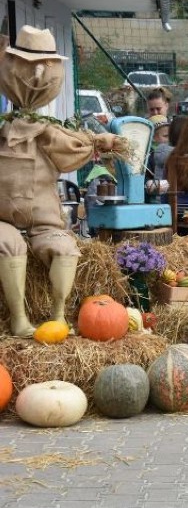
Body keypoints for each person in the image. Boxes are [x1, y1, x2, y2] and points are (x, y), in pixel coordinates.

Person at [0, 25, 120, 337]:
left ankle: (58, 315)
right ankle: (18, 319)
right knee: (9, 244)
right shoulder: (4, 131)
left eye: (45, 65)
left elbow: (75, 143)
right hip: (2, 219)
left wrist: (102, 141)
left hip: (45, 219)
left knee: (65, 248)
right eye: (29, 64)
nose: (38, 72)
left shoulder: (47, 130)